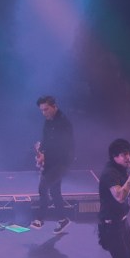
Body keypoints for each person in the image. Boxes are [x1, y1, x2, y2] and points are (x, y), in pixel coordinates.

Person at [32, 95, 75, 234]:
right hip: (51, 160)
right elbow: (46, 139)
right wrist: (41, 150)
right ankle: (63, 219)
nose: (44, 113)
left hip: (62, 161)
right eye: (42, 110)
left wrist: (45, 155)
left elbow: (62, 146)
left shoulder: (64, 123)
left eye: (46, 109)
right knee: (55, 191)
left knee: (43, 187)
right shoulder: (48, 121)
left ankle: (40, 219)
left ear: (54, 107)